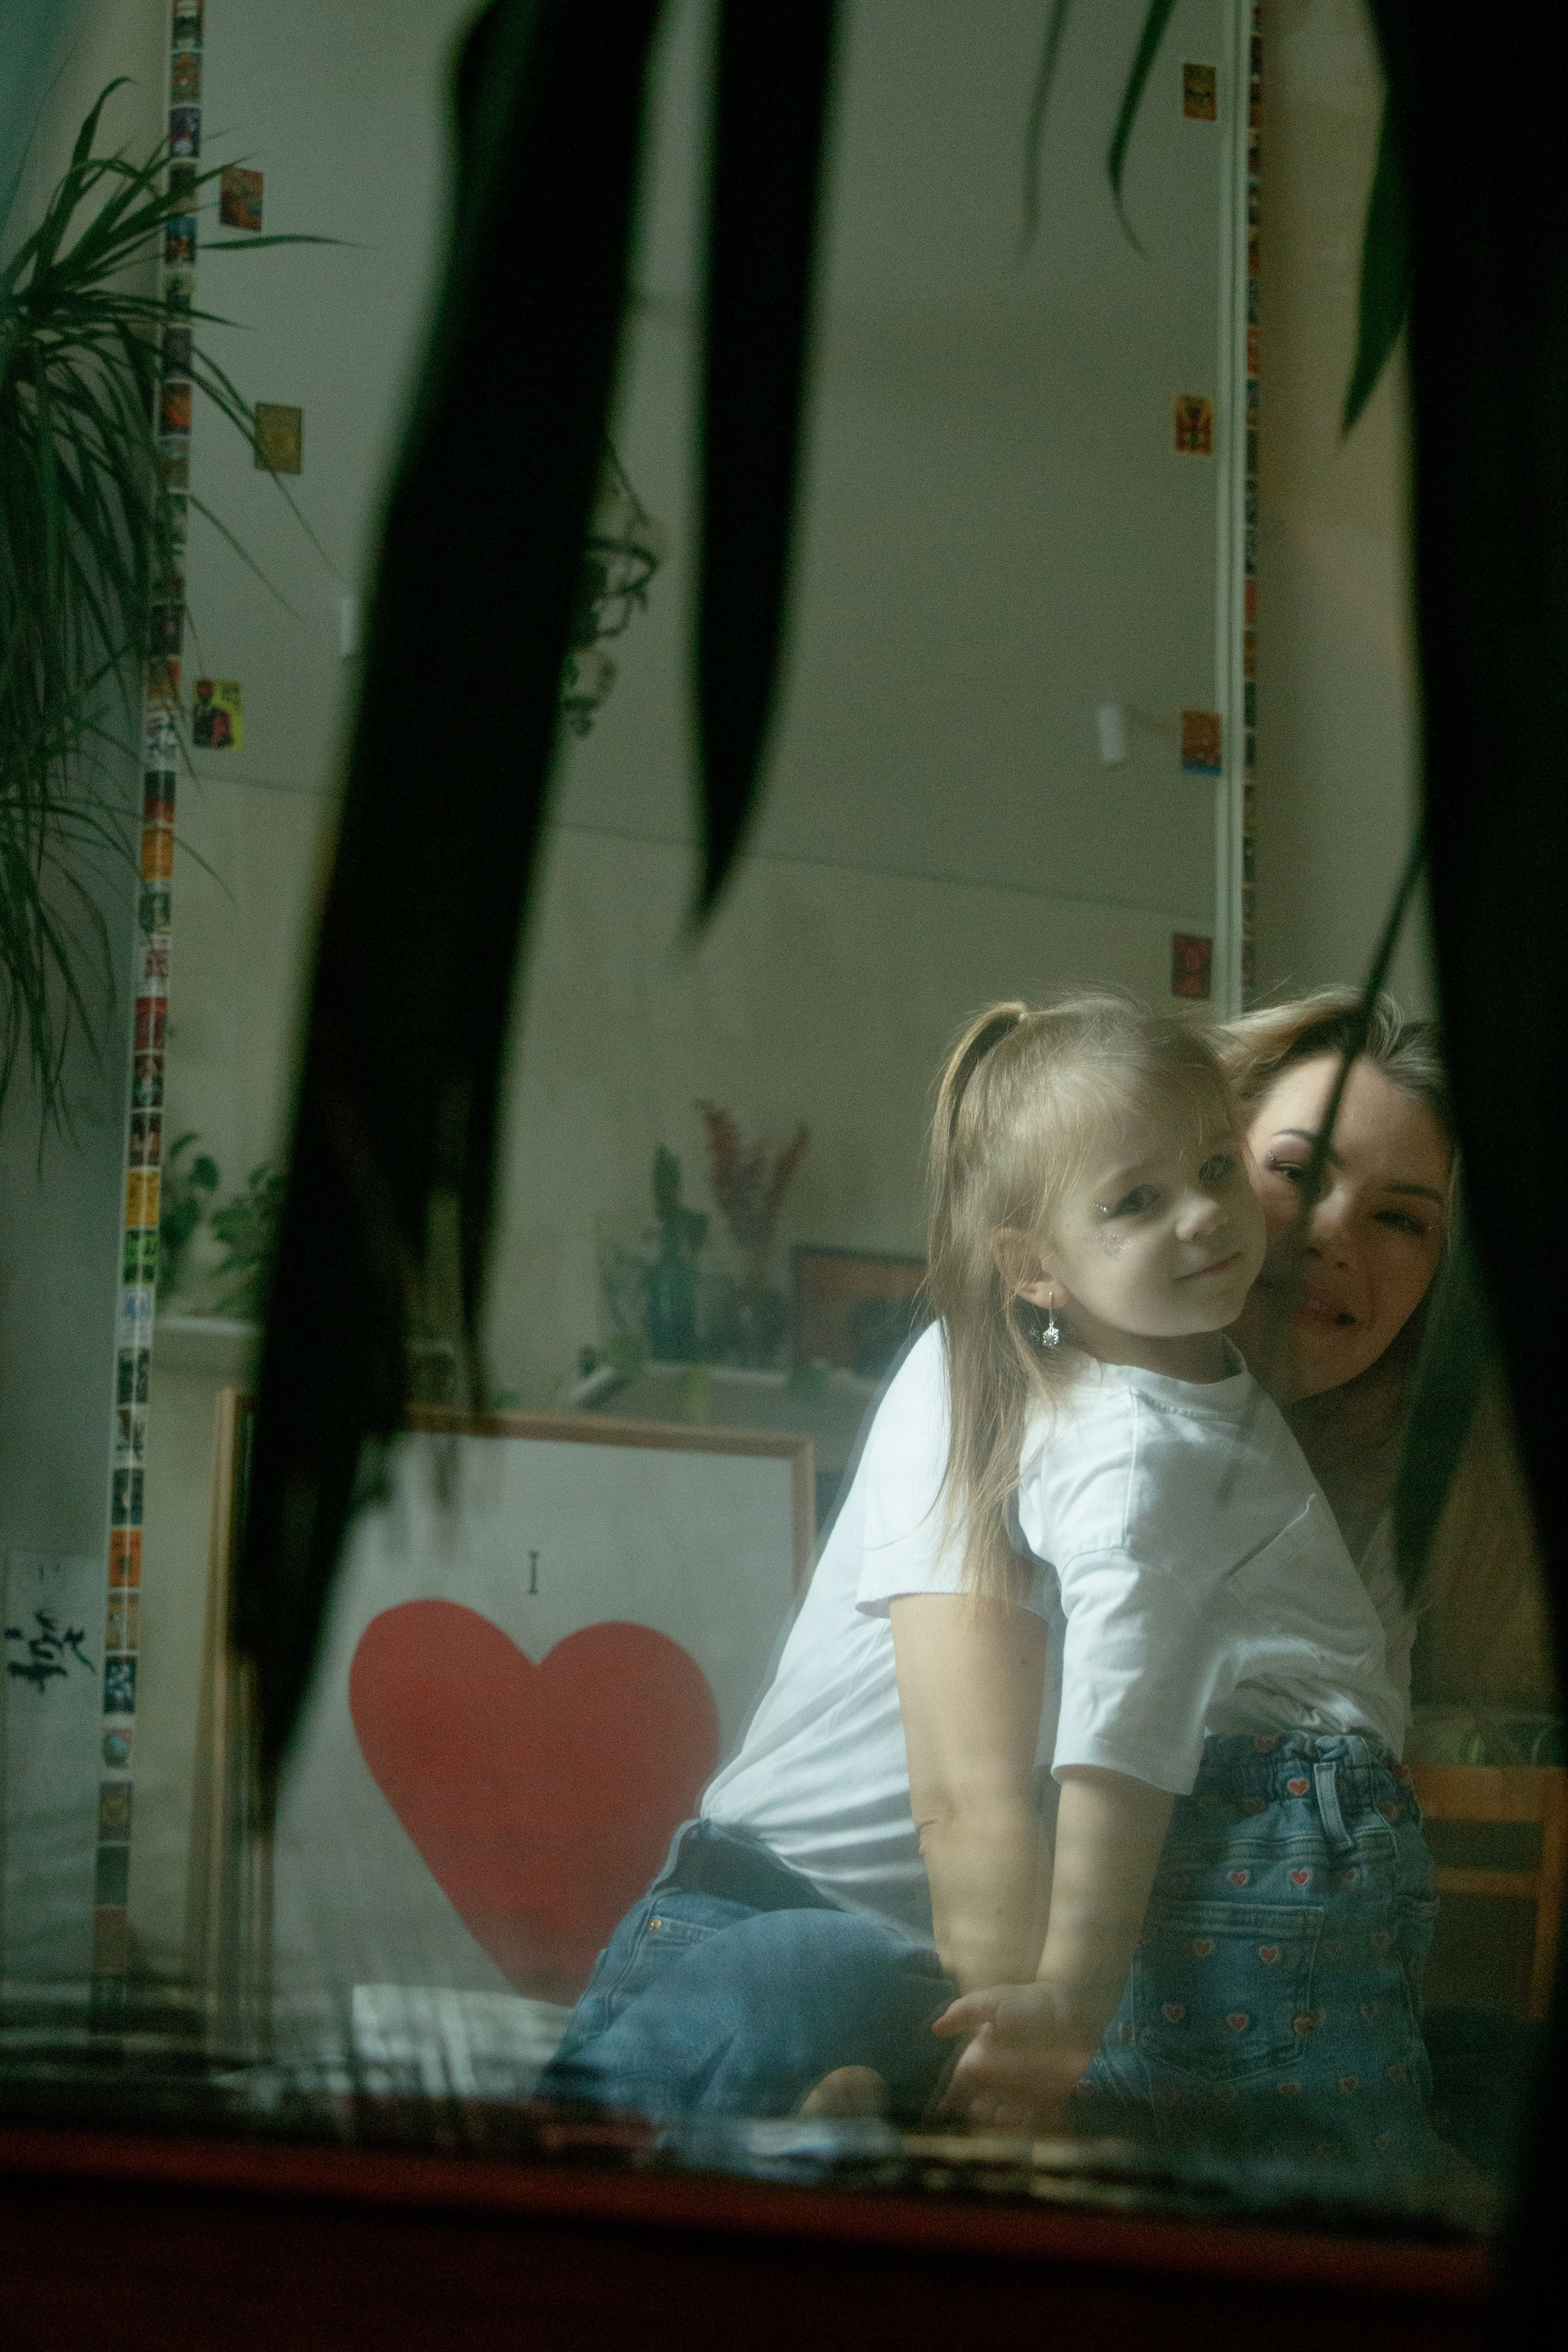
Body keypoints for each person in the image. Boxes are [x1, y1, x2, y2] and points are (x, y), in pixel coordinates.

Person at [537, 994, 1437, 2162]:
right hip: (794, 1923)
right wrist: (1041, 2087)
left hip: (964, 1990)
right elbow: (975, 1806)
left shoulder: (1273, 1467)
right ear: (1040, 1262)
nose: (1331, 1234)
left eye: (1403, 1219)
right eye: (1295, 1170)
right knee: (818, 1997)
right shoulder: (1004, 1370)